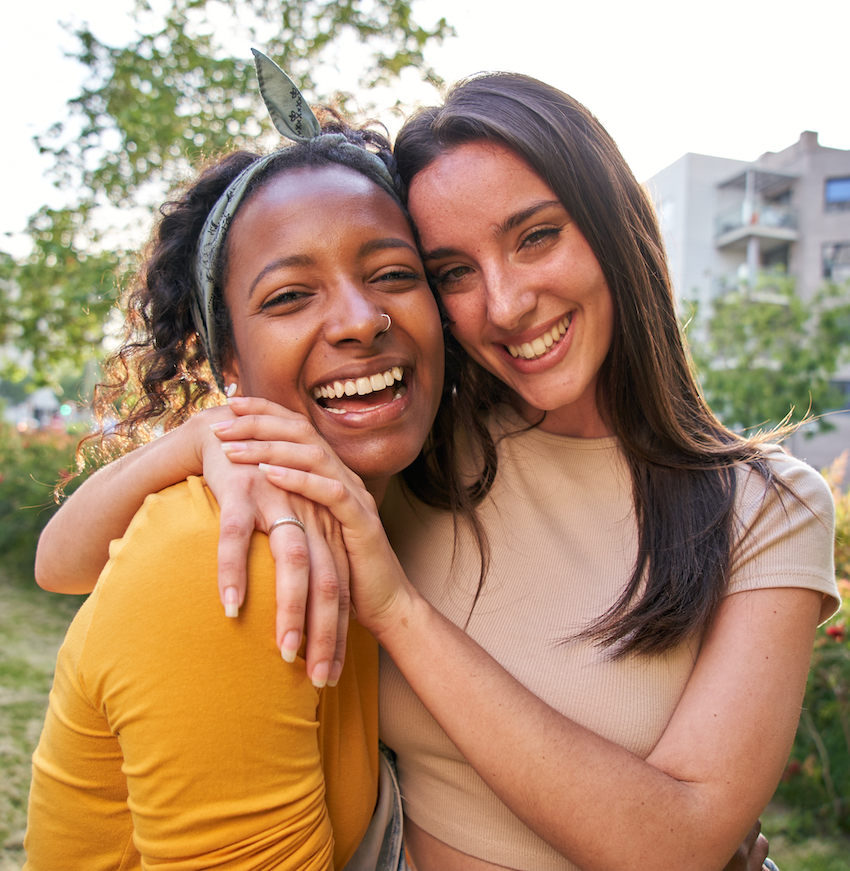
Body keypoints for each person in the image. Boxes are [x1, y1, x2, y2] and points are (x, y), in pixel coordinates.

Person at [34, 69, 837, 871]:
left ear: (616, 225)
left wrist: (399, 610)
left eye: (536, 236)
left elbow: (684, 842)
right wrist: (207, 435)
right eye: (453, 270)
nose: (507, 302)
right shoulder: (419, 449)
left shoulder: (765, 506)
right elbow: (66, 565)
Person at [24, 51, 444, 870]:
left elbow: (60, 564)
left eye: (395, 273)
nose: (361, 321)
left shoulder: (378, 508)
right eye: (290, 295)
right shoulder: (231, 551)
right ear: (232, 368)